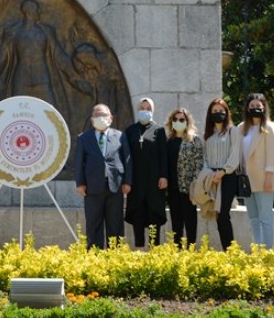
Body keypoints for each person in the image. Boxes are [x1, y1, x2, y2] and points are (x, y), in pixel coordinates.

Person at [74, 102, 132, 249]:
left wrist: (127, 182)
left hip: (115, 186)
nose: (100, 118)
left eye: (103, 115)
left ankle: (115, 257)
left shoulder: (120, 136)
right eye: (97, 115)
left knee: (115, 224)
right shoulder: (83, 138)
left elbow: (127, 160)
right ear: (92, 119)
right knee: (94, 224)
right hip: (92, 188)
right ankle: (95, 257)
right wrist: (80, 183)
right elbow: (79, 162)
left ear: (110, 118)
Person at [124, 97, 168, 247]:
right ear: (138, 110)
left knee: (153, 216)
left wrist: (163, 176)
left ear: (152, 111)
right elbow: (126, 156)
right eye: (142, 108)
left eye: (148, 109)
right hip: (136, 182)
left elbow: (164, 155)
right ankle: (139, 250)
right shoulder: (130, 130)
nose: (145, 111)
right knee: (138, 216)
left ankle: (154, 251)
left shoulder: (159, 130)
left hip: (154, 182)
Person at [200, 98, 241, 251]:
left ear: (226, 112)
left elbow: (235, 154)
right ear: (210, 114)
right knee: (217, 215)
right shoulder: (207, 135)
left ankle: (231, 251)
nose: (218, 114)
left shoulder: (233, 131)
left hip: (228, 177)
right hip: (211, 178)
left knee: (223, 214)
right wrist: (210, 174)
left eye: (221, 111)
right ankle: (227, 249)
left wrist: (223, 171)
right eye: (215, 111)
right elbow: (204, 157)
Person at [239, 93, 274, 250]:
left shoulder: (269, 127)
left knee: (265, 218)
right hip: (247, 180)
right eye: (252, 106)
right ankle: (257, 250)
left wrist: (269, 178)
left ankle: (268, 252)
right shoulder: (241, 128)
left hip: (264, 179)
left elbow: (271, 156)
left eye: (258, 106)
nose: (255, 109)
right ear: (247, 108)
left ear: (264, 108)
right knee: (253, 218)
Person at [165, 107, 202, 246]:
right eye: (175, 119)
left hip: (189, 188)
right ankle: (178, 251)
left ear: (187, 121)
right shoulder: (168, 141)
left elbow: (199, 163)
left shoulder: (194, 140)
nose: (178, 122)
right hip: (173, 189)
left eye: (181, 119)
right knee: (176, 222)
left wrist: (195, 184)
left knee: (190, 221)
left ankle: (191, 249)